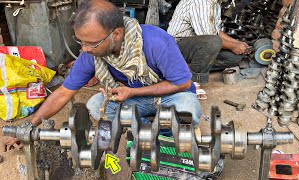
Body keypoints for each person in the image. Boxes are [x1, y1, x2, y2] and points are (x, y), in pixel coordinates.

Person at [4, 0, 202, 150]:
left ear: (116, 34)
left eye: (92, 43)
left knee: (188, 109)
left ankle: (163, 134)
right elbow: (64, 92)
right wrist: (28, 127)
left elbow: (183, 83)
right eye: (81, 41)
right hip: (133, 98)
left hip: (168, 94)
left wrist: (133, 92)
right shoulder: (91, 53)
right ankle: (145, 129)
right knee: (95, 104)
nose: (85, 49)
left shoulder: (157, 42)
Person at [167, 0, 251, 87]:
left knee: (234, 58)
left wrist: (237, 43)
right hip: (176, 46)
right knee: (213, 42)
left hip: (197, 46)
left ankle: (187, 68)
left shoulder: (216, 3)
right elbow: (209, 37)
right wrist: (233, 46)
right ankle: (193, 81)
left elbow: (216, 31)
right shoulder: (200, 2)